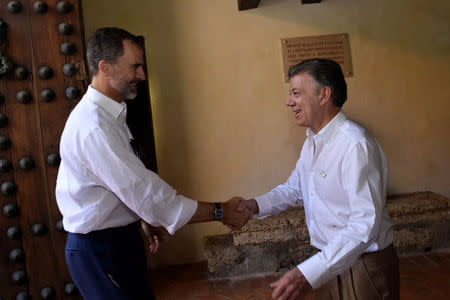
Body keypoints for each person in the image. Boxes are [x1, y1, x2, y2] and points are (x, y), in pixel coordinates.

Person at [55, 27, 249, 300]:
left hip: (118, 241)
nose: (142, 75)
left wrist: (143, 218)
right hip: (100, 249)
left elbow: (125, 185)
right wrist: (221, 211)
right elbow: (152, 197)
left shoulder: (111, 114)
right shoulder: (94, 126)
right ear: (105, 68)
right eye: (135, 67)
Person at [234, 58, 399, 300]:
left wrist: (308, 272)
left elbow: (365, 224)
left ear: (324, 95)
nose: (289, 101)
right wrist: (254, 205)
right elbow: (294, 189)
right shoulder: (312, 141)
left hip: (362, 265)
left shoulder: (355, 144)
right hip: (329, 262)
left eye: (296, 93)